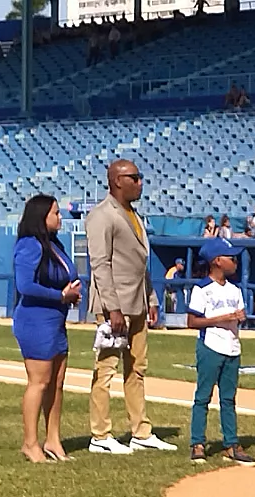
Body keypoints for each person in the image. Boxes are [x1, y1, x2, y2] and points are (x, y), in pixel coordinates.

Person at [85, 159, 177, 455]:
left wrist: (151, 298)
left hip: (137, 302)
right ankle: (100, 436)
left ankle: (141, 431)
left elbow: (140, 264)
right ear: (116, 181)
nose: (140, 183)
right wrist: (112, 308)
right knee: (106, 369)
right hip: (115, 305)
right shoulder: (102, 215)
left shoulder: (134, 215)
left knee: (137, 369)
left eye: (140, 177)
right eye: (134, 177)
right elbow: (100, 264)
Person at [12, 195, 81, 463]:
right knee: (39, 382)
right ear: (42, 217)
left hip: (56, 321)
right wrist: (60, 296)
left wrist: (71, 293)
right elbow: (24, 286)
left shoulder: (54, 244)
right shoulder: (29, 245)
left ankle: (53, 440)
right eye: (55, 213)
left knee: (57, 382)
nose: (60, 218)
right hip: (35, 321)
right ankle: (30, 443)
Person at [187, 237, 255, 466]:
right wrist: (221, 319)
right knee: (203, 396)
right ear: (217, 261)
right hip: (210, 347)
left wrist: (239, 318)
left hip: (232, 347)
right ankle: (197, 443)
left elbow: (240, 314)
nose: (235, 261)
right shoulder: (202, 289)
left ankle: (231, 444)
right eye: (230, 258)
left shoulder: (235, 290)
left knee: (228, 398)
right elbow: (192, 321)